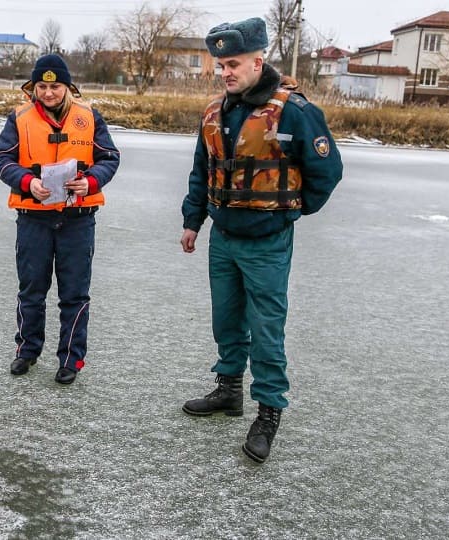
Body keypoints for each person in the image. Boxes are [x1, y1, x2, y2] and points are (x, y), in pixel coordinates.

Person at [179, 17, 342, 463]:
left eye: (233, 64)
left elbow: (327, 171)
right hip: (223, 237)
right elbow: (202, 171)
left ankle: (269, 412)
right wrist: (193, 220)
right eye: (221, 65)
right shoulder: (214, 112)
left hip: (267, 241)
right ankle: (229, 390)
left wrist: (290, 211)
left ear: (258, 61)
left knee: (267, 328)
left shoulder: (294, 111)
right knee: (226, 319)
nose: (225, 72)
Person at [0, 54, 120, 386]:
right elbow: (1, 159)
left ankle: (70, 359)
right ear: (34, 87)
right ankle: (27, 351)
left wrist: (90, 182)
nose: (48, 93)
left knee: (75, 294)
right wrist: (27, 182)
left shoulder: (89, 117)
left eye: (55, 86)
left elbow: (109, 158)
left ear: (67, 87)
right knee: (31, 291)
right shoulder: (19, 118)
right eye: (42, 87)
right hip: (34, 219)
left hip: (78, 220)